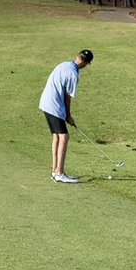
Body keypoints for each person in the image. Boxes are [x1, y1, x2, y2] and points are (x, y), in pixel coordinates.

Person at [39, 50, 94, 183]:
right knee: (64, 136)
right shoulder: (74, 74)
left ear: (77, 57)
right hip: (54, 105)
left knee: (57, 136)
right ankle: (59, 173)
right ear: (86, 63)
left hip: (46, 103)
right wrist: (68, 115)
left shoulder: (63, 65)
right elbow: (67, 96)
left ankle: (55, 171)